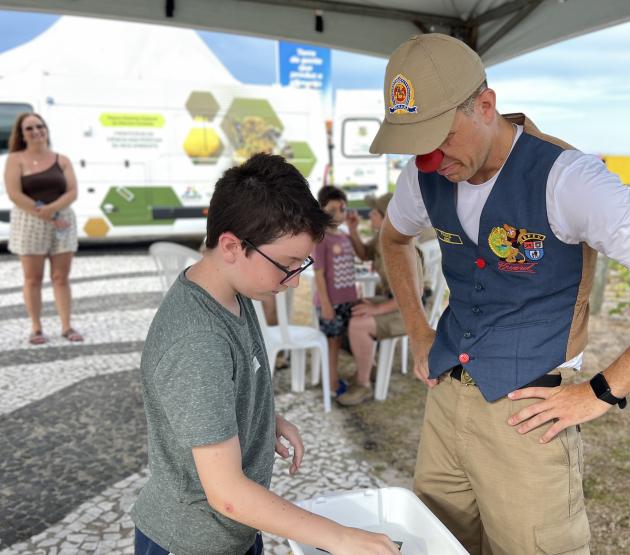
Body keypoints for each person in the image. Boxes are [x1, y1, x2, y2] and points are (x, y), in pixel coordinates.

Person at [373, 34, 630, 554]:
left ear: (485, 106)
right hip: (446, 401)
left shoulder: (569, 178)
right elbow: (393, 239)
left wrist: (602, 391)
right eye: (416, 145)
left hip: (529, 415)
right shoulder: (424, 176)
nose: (428, 159)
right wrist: (417, 326)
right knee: (434, 542)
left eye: (440, 137)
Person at [130, 153, 399, 555]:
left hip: (236, 531)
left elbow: (221, 392)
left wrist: (265, 416)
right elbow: (226, 494)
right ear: (232, 246)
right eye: (288, 265)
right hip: (190, 540)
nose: (293, 282)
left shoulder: (235, 291)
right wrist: (341, 538)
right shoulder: (196, 341)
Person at [4, 112, 83, 345]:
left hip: (63, 223)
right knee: (33, 278)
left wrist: (55, 210)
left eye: (40, 126)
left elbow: (72, 192)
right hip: (29, 223)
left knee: (61, 277)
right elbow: (15, 194)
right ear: (22, 134)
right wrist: (45, 213)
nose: (36, 131)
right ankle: (36, 328)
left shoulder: (62, 160)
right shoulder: (15, 159)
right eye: (29, 128)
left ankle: (66, 326)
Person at [337, 193, 423, 406]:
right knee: (347, 310)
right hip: (393, 301)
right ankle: (368, 363)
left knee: (358, 324)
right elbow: (364, 254)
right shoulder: (383, 238)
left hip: (412, 310)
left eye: (374, 212)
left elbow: (415, 294)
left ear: (388, 217)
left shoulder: (404, 248)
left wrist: (377, 309)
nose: (370, 214)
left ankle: (363, 383)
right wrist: (354, 231)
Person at [312, 185, 358, 397]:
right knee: (332, 344)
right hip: (331, 303)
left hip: (347, 300)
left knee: (340, 342)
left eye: (341, 208)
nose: (338, 214)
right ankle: (331, 383)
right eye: (331, 210)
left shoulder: (344, 235)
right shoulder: (321, 238)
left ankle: (335, 377)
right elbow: (319, 274)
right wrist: (326, 305)